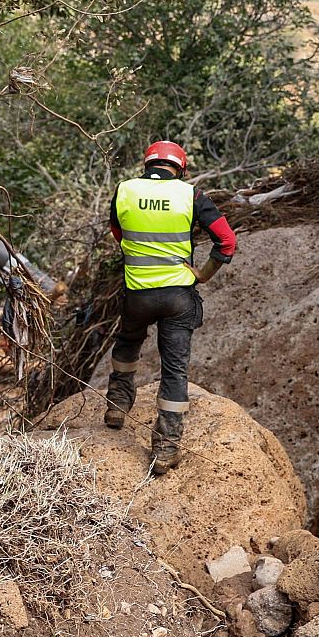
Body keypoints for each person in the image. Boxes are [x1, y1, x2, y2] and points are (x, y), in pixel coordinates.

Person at [102, 141, 237, 474]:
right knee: (175, 370)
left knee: (128, 341)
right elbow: (227, 241)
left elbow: (118, 232)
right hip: (178, 296)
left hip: (137, 293)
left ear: (147, 164)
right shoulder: (191, 195)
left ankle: (118, 404)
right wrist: (203, 274)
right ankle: (165, 448)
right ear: (181, 168)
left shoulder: (125, 190)